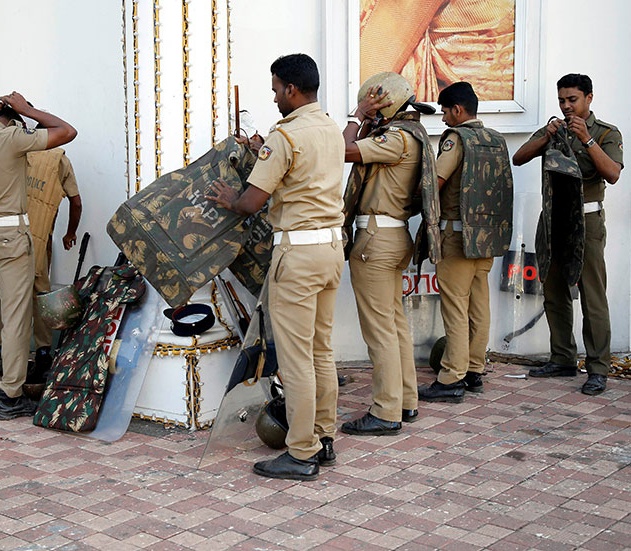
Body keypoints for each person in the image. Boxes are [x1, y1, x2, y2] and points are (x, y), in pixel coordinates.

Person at [207, 54, 345, 481]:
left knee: (296, 357)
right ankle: (322, 439)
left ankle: (300, 453)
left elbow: (252, 202)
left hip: (298, 256)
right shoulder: (331, 129)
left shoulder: (284, 135)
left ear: (291, 89)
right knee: (321, 350)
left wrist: (231, 197)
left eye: (275, 90)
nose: (273, 99)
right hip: (330, 250)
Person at [0, 92, 77, 418]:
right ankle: (10, 397)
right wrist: (29, 109)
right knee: (15, 319)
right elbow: (67, 131)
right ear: (13, 122)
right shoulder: (11, 139)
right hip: (10, 239)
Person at [513, 74, 622, 396]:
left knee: (592, 296)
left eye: (572, 99)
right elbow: (519, 158)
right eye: (561, 100)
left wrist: (588, 140)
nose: (566, 106)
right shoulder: (556, 128)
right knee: (554, 291)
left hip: (586, 223)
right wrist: (545, 136)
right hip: (552, 221)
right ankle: (562, 357)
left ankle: (598, 368)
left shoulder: (606, 132)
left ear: (589, 98)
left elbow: (613, 174)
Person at [340, 71, 436, 436]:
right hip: (393, 238)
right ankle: (405, 401)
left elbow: (341, 149)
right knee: (394, 325)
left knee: (380, 330)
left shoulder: (396, 138)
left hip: (377, 241)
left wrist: (357, 116)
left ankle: (385, 410)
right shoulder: (410, 135)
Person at [419, 82, 512, 403]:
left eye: (445, 112)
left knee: (455, 307)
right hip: (487, 238)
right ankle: (474, 369)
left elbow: (436, 182)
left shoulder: (456, 139)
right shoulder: (496, 139)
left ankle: (451, 378)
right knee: (478, 305)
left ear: (458, 110)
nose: (443, 118)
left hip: (458, 237)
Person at [28, 144, 82, 356]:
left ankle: (0, 352)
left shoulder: (14, 150)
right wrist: (70, 233)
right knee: (41, 293)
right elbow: (76, 203)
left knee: (8, 295)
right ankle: (42, 351)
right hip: (40, 239)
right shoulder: (59, 160)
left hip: (7, 236)